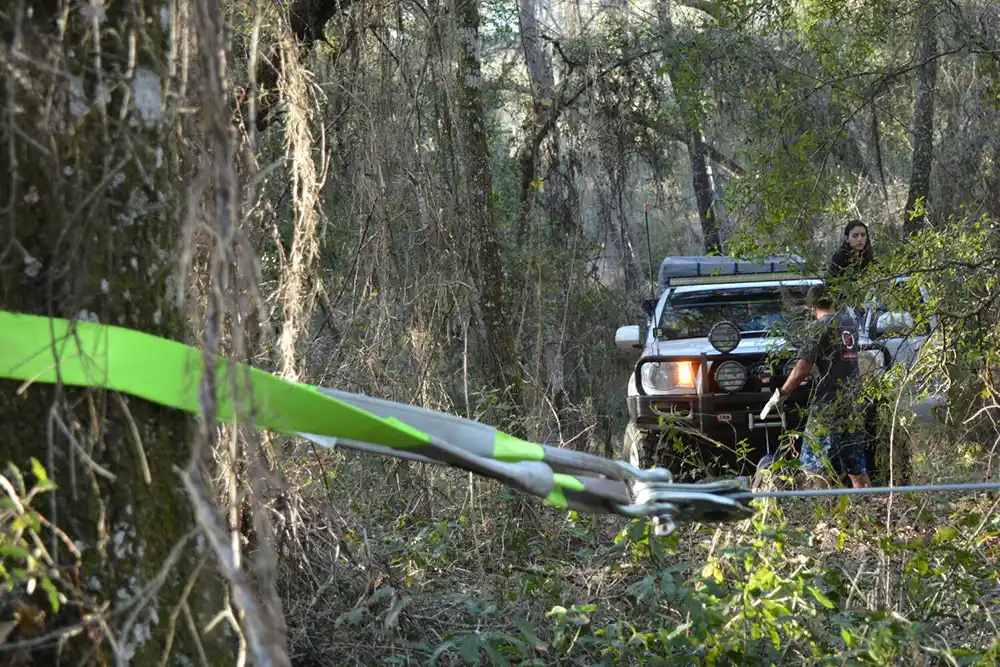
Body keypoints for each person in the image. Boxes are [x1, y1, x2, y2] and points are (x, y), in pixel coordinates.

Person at [771, 284, 871, 489]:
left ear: (811, 307)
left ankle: (822, 511)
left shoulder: (818, 327)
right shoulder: (849, 324)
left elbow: (803, 367)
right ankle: (868, 507)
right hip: (851, 402)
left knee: (813, 465)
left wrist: (783, 392)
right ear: (833, 301)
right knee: (855, 465)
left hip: (828, 406)